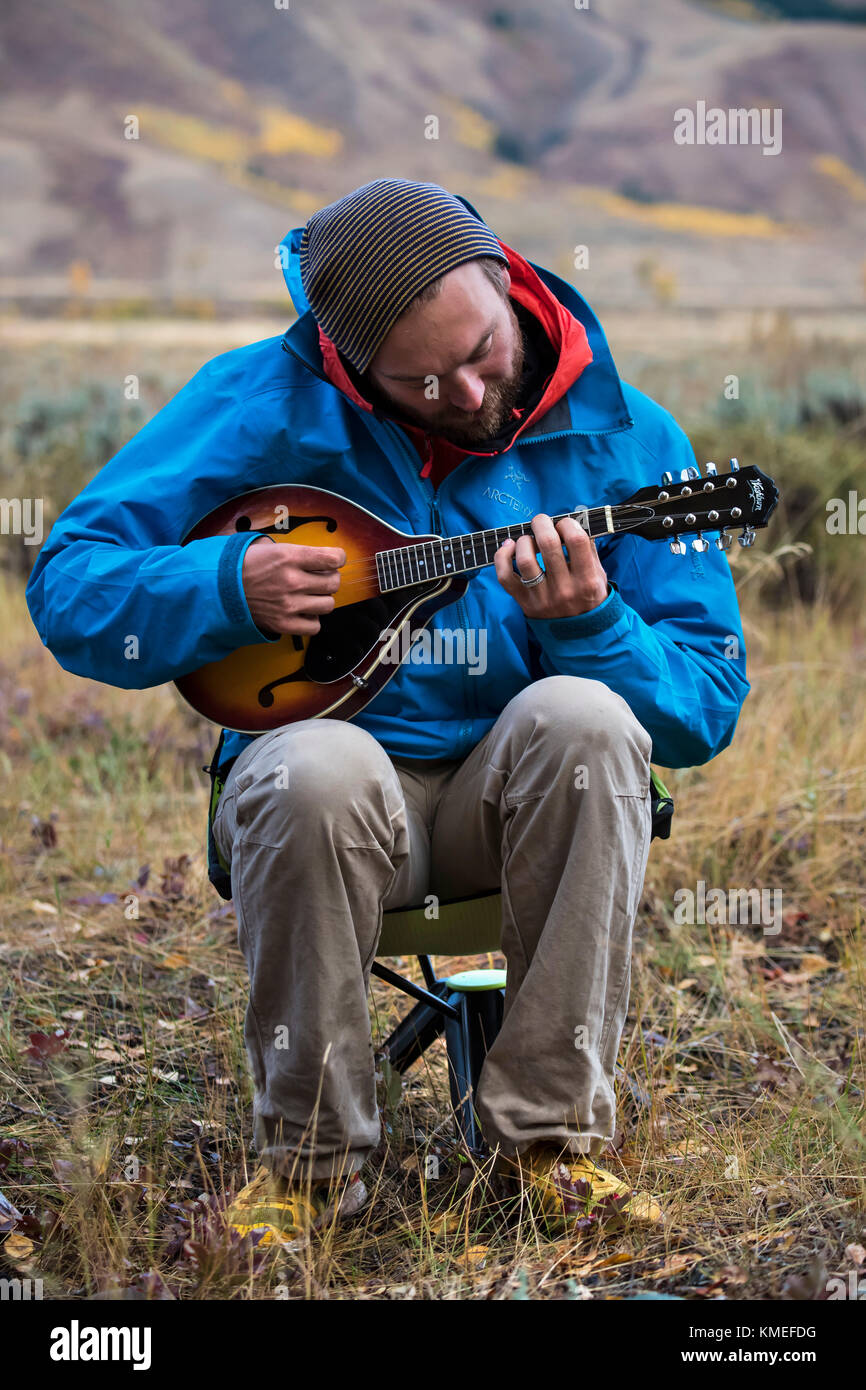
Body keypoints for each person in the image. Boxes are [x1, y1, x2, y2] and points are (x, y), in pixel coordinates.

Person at [26, 178, 748, 1245]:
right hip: (341, 805)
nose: (464, 392)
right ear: (353, 370)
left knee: (583, 720)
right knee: (310, 766)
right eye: (421, 379)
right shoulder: (257, 405)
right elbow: (71, 583)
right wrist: (226, 585)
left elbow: (702, 706)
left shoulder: (626, 438)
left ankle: (546, 1149)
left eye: (481, 352)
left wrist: (593, 624)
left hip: (518, 808)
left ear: (506, 284)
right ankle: (312, 1173)